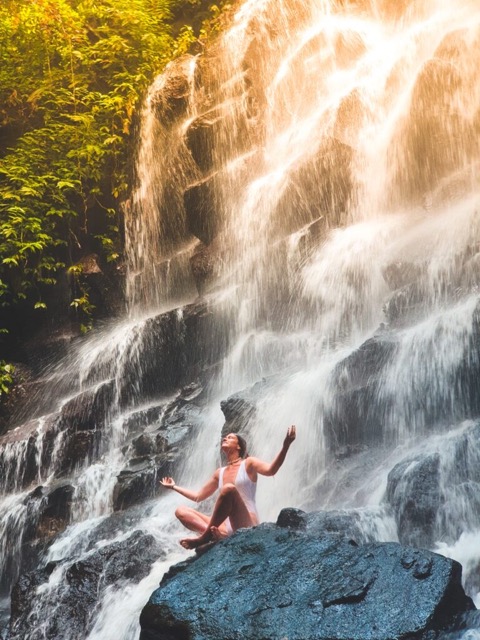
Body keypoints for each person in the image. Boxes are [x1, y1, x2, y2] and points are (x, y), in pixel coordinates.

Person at [161, 425, 296, 550]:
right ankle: (215, 536)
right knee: (181, 511)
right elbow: (198, 497)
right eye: (225, 437)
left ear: (238, 447)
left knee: (229, 489)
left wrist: (286, 446)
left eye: (230, 437)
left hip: (246, 522)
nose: (225, 438)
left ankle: (204, 538)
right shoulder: (220, 472)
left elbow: (271, 470)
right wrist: (174, 487)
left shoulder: (249, 463)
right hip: (224, 527)